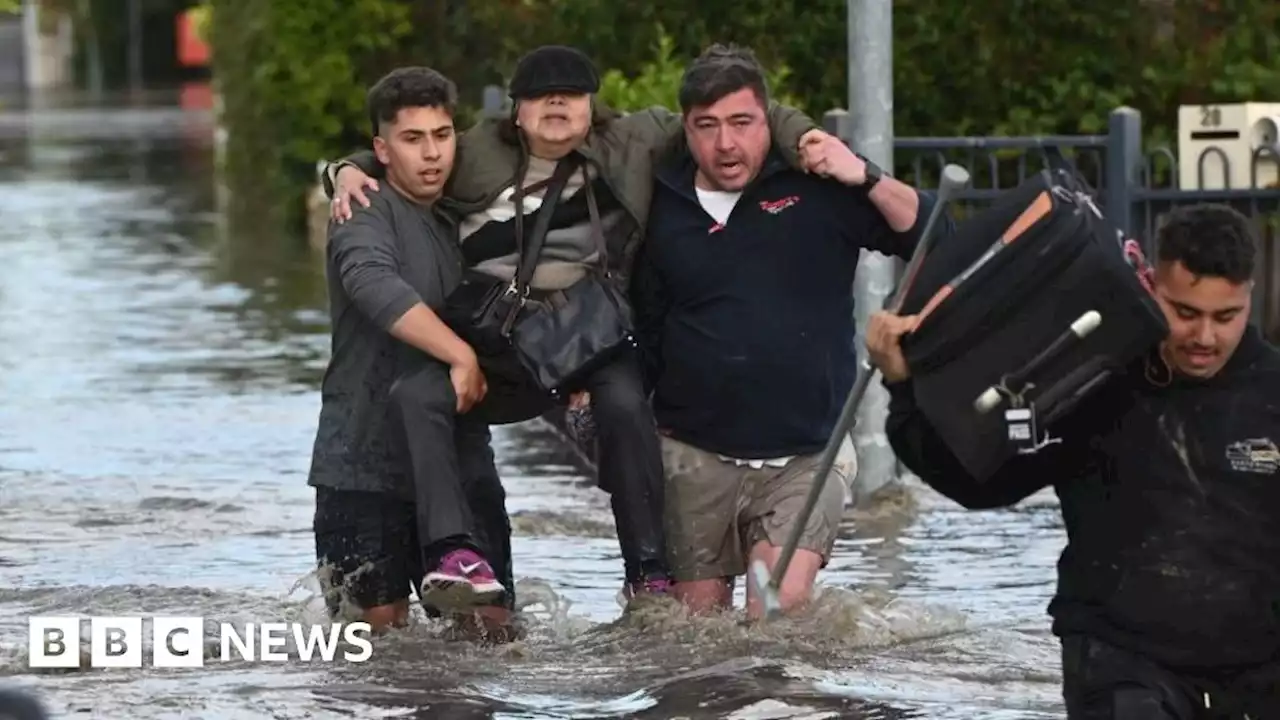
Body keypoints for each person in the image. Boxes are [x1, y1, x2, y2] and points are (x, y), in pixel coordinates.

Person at [323, 45, 829, 601]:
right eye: (541, 97)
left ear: (593, 108)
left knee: (626, 404)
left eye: (571, 95)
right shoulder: (472, 151)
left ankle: (647, 570)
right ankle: (452, 550)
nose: (557, 103)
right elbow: (408, 147)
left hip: (591, 332)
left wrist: (806, 138)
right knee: (418, 391)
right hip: (503, 334)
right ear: (516, 111)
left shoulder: (632, 139)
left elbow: (740, 111)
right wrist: (344, 171)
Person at [868, 203, 1280, 719]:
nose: (1204, 337)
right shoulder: (1094, 377)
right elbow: (979, 482)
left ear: (1250, 298)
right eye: (1186, 312)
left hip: (1258, 667)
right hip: (1121, 658)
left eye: (1225, 317)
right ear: (1151, 285)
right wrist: (903, 389)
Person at [629, 44, 946, 620]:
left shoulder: (816, 186)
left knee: (776, 612)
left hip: (805, 454)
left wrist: (865, 173)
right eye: (708, 127)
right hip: (691, 455)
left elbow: (931, 231)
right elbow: (645, 322)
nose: (726, 144)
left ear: (767, 122)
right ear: (687, 130)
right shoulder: (658, 196)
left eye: (742, 123)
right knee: (691, 633)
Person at [309, 66, 516, 636]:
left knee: (494, 633)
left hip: (461, 453)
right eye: (412, 139)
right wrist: (460, 355)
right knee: (374, 648)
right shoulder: (362, 208)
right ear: (382, 148)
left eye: (442, 136)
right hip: (362, 464)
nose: (432, 154)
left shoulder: (465, 210)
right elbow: (373, 284)